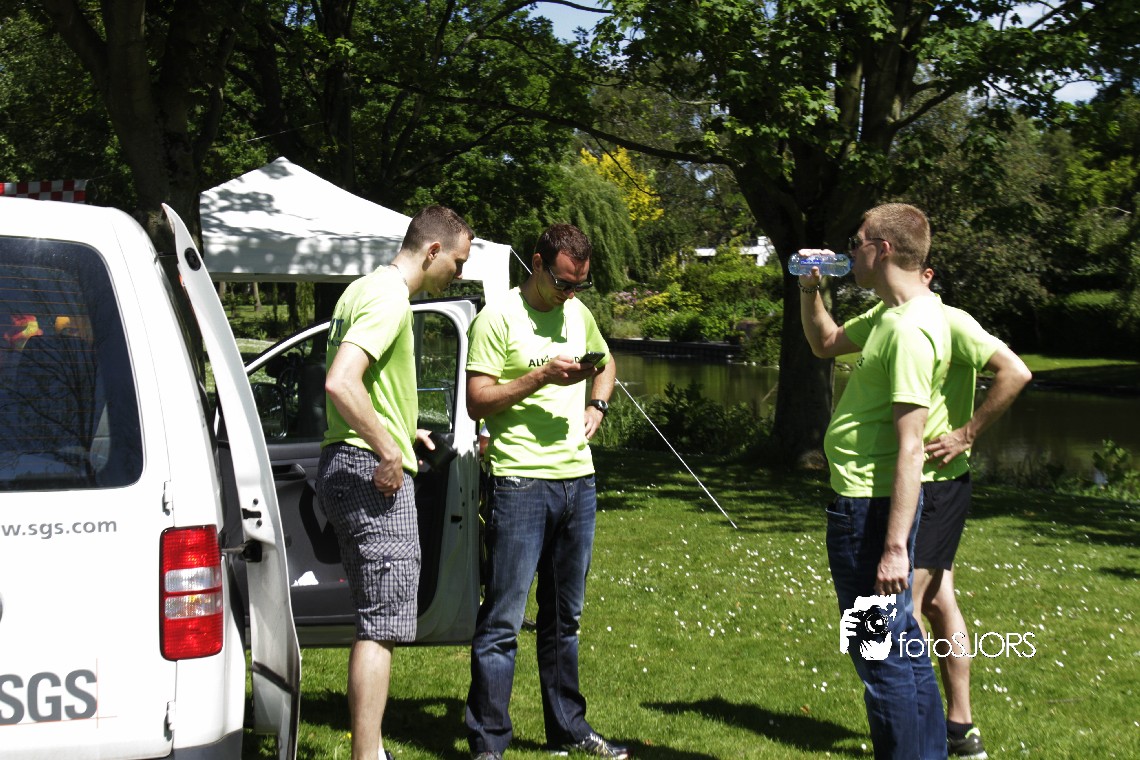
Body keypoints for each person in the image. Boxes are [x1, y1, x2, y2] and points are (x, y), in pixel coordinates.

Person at [844, 271, 1033, 759]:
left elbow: (1016, 372)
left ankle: (933, 730)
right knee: (935, 601)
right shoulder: (886, 316)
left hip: (936, 484)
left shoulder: (950, 321)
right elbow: (826, 342)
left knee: (899, 611)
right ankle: (957, 729)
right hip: (916, 483)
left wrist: (966, 434)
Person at [317, 204, 473, 760]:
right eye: (457, 262)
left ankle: (371, 750)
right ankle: (368, 755)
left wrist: (406, 432)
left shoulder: (359, 290)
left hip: (344, 462)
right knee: (381, 625)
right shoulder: (390, 300)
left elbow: (370, 386)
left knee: (375, 618)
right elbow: (342, 382)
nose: (458, 273)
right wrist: (388, 450)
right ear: (432, 251)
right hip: (371, 474)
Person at [463, 223, 622, 760]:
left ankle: (568, 728)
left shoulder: (578, 314)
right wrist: (539, 378)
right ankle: (489, 742)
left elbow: (606, 363)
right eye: (562, 282)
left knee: (564, 619)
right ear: (536, 264)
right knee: (503, 621)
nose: (570, 293)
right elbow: (477, 400)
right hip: (519, 482)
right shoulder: (497, 317)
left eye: (580, 284)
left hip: (578, 482)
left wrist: (597, 405)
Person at [799, 203, 949, 759]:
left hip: (870, 513)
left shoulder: (909, 330)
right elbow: (825, 343)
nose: (849, 251)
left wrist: (893, 548)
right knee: (903, 649)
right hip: (869, 507)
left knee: (878, 656)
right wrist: (809, 288)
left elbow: (911, 446)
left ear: (881, 249)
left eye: (855, 241)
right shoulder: (896, 314)